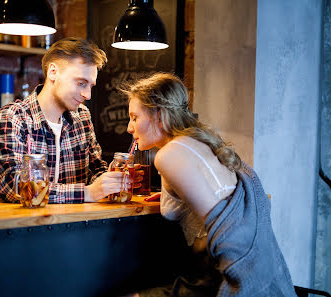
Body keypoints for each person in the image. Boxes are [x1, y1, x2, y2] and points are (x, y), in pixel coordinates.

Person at [123, 72, 297, 296]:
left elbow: (221, 230)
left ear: (159, 115)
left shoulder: (168, 155)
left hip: (219, 277)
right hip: (229, 269)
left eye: (134, 117)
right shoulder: (196, 141)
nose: (129, 127)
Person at [0, 37, 132, 203]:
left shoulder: (82, 116)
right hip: (22, 226)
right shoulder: (14, 117)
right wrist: (86, 193)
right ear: (53, 72)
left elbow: (95, 170)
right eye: (81, 83)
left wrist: (114, 181)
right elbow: (11, 185)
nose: (88, 95)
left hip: (73, 225)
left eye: (90, 86)